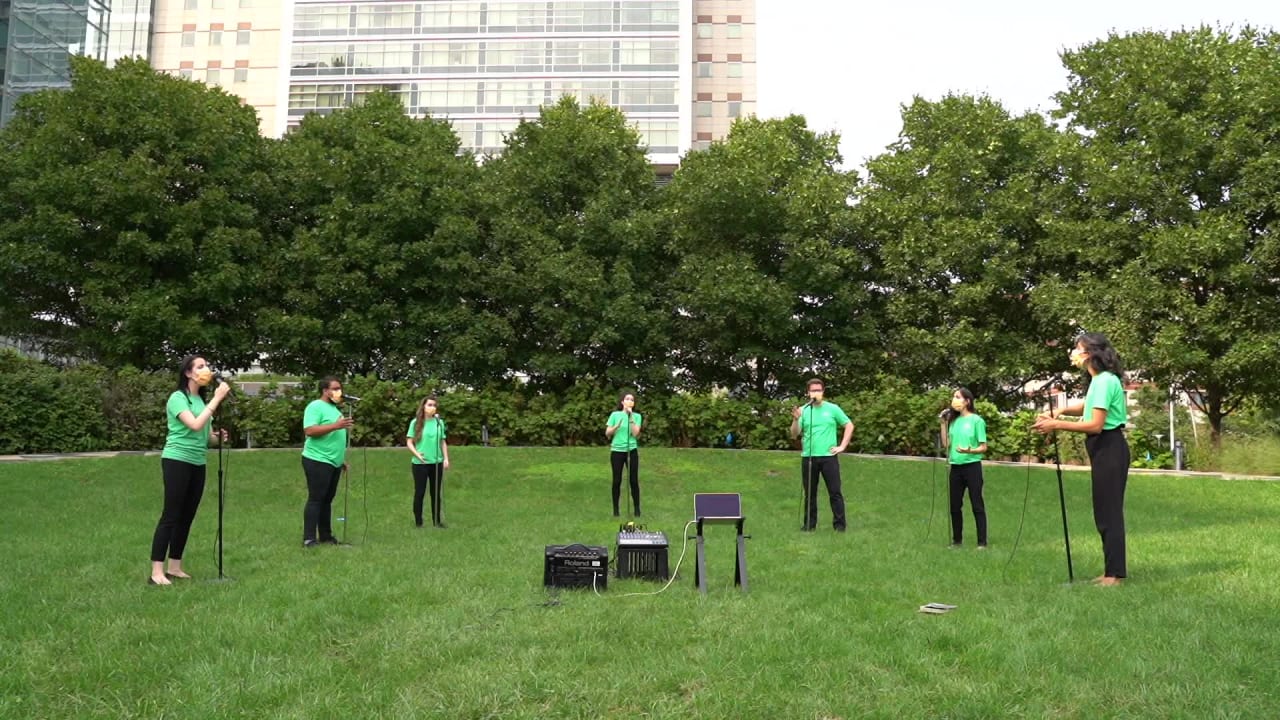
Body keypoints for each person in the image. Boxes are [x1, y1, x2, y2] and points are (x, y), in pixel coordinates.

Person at [1033, 332, 1131, 586]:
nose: (1073, 354)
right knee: (1103, 511)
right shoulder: (1100, 381)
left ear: (1089, 354)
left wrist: (1057, 423)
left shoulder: (1104, 381)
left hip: (1109, 446)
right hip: (1104, 448)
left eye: (1077, 348)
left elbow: (1096, 424)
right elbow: (1089, 406)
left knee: (1109, 513)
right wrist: (1063, 409)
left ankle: (1114, 575)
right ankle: (1110, 571)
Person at [149, 355, 231, 585]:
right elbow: (194, 425)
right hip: (177, 460)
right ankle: (157, 571)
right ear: (188, 373)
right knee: (171, 515)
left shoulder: (200, 401)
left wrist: (216, 437)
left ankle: (175, 566)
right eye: (201, 366)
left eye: (207, 365)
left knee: (187, 516)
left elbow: (203, 436)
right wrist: (216, 399)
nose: (207, 370)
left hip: (198, 462)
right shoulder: (178, 398)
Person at [790, 378, 854, 532]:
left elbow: (849, 425)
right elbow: (794, 434)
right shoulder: (803, 410)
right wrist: (795, 419)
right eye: (813, 390)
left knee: (835, 492)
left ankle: (839, 526)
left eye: (818, 390)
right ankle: (809, 525)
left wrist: (842, 446)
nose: (816, 393)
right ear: (808, 392)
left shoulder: (833, 409)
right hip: (809, 457)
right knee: (810, 494)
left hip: (828, 457)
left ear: (823, 392)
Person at [301, 376, 353, 547]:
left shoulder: (335, 409)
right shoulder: (316, 406)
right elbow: (309, 430)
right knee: (316, 498)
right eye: (335, 388)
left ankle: (326, 536)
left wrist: (341, 459)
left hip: (334, 461)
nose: (339, 392)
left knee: (327, 500)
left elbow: (334, 438)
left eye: (340, 389)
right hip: (317, 459)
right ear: (325, 390)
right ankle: (309, 538)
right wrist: (335, 426)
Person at [940, 387, 988, 549]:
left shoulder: (977, 421)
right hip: (956, 467)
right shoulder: (953, 421)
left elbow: (983, 447)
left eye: (958, 397)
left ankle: (982, 542)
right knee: (954, 506)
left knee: (977, 504)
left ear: (967, 401)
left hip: (972, 467)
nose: (954, 400)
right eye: (954, 397)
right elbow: (946, 445)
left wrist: (970, 450)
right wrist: (943, 424)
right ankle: (957, 541)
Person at [406, 395, 450, 528]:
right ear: (423, 407)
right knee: (420, 492)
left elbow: (443, 442)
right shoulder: (416, 422)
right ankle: (418, 522)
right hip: (420, 464)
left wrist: (446, 458)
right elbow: (409, 442)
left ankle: (437, 521)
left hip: (436, 462)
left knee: (435, 493)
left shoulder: (439, 423)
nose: (432, 408)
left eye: (434, 405)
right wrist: (417, 454)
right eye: (429, 405)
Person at [605, 392, 643, 517]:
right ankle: (616, 510)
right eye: (627, 399)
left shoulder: (636, 416)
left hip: (631, 451)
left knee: (633, 480)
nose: (629, 401)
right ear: (622, 402)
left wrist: (630, 417)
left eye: (632, 400)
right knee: (617, 480)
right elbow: (608, 433)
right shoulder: (615, 415)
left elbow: (635, 434)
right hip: (617, 451)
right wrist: (616, 426)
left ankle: (637, 509)